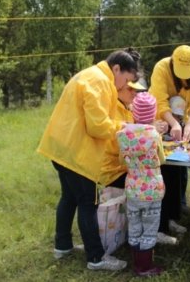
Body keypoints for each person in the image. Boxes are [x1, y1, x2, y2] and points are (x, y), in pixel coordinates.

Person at [37, 48, 140, 271]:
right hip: (77, 153)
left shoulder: (91, 75)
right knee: (88, 202)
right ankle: (96, 257)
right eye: (126, 80)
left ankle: (62, 246)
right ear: (116, 69)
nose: (124, 86)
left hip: (63, 148)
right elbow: (98, 126)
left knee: (69, 198)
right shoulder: (101, 81)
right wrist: (123, 127)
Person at [149, 45, 190, 244]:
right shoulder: (161, 67)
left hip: (185, 123)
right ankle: (161, 224)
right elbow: (160, 102)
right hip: (162, 124)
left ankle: (173, 217)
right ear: (173, 63)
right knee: (165, 171)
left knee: (178, 173)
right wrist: (173, 123)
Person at [116, 92, 166, 276]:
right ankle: (145, 267)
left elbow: (122, 161)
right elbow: (161, 159)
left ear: (133, 113)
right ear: (153, 115)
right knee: (150, 228)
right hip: (152, 190)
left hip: (132, 189)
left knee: (135, 227)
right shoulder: (154, 134)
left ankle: (136, 263)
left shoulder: (122, 134)